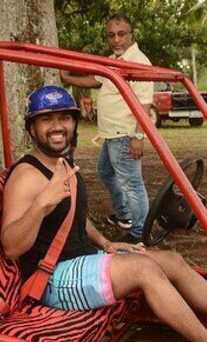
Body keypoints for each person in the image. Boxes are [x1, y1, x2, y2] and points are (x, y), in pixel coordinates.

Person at [1, 86, 207, 342]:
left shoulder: (62, 164)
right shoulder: (26, 176)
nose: (57, 127)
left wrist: (106, 243)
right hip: (52, 279)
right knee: (143, 269)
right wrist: (41, 204)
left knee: (171, 260)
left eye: (64, 118)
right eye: (47, 120)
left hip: (83, 260)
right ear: (32, 127)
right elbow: (11, 246)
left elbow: (73, 216)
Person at [60, 13, 153, 244]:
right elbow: (94, 79)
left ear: (131, 35)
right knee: (105, 171)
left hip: (125, 134)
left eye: (121, 34)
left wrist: (139, 136)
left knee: (132, 184)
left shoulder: (138, 62)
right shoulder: (114, 60)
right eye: (111, 35)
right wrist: (68, 78)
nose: (116, 39)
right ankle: (125, 216)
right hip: (111, 135)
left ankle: (139, 233)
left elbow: (144, 104)